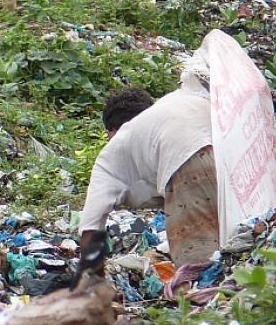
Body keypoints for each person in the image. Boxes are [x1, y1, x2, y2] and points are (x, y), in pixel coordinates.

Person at [79, 86, 217, 267]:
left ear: (110, 132)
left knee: (196, 259)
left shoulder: (112, 153)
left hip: (185, 163)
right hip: (222, 150)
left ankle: (204, 291)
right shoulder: (173, 103)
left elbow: (91, 221)